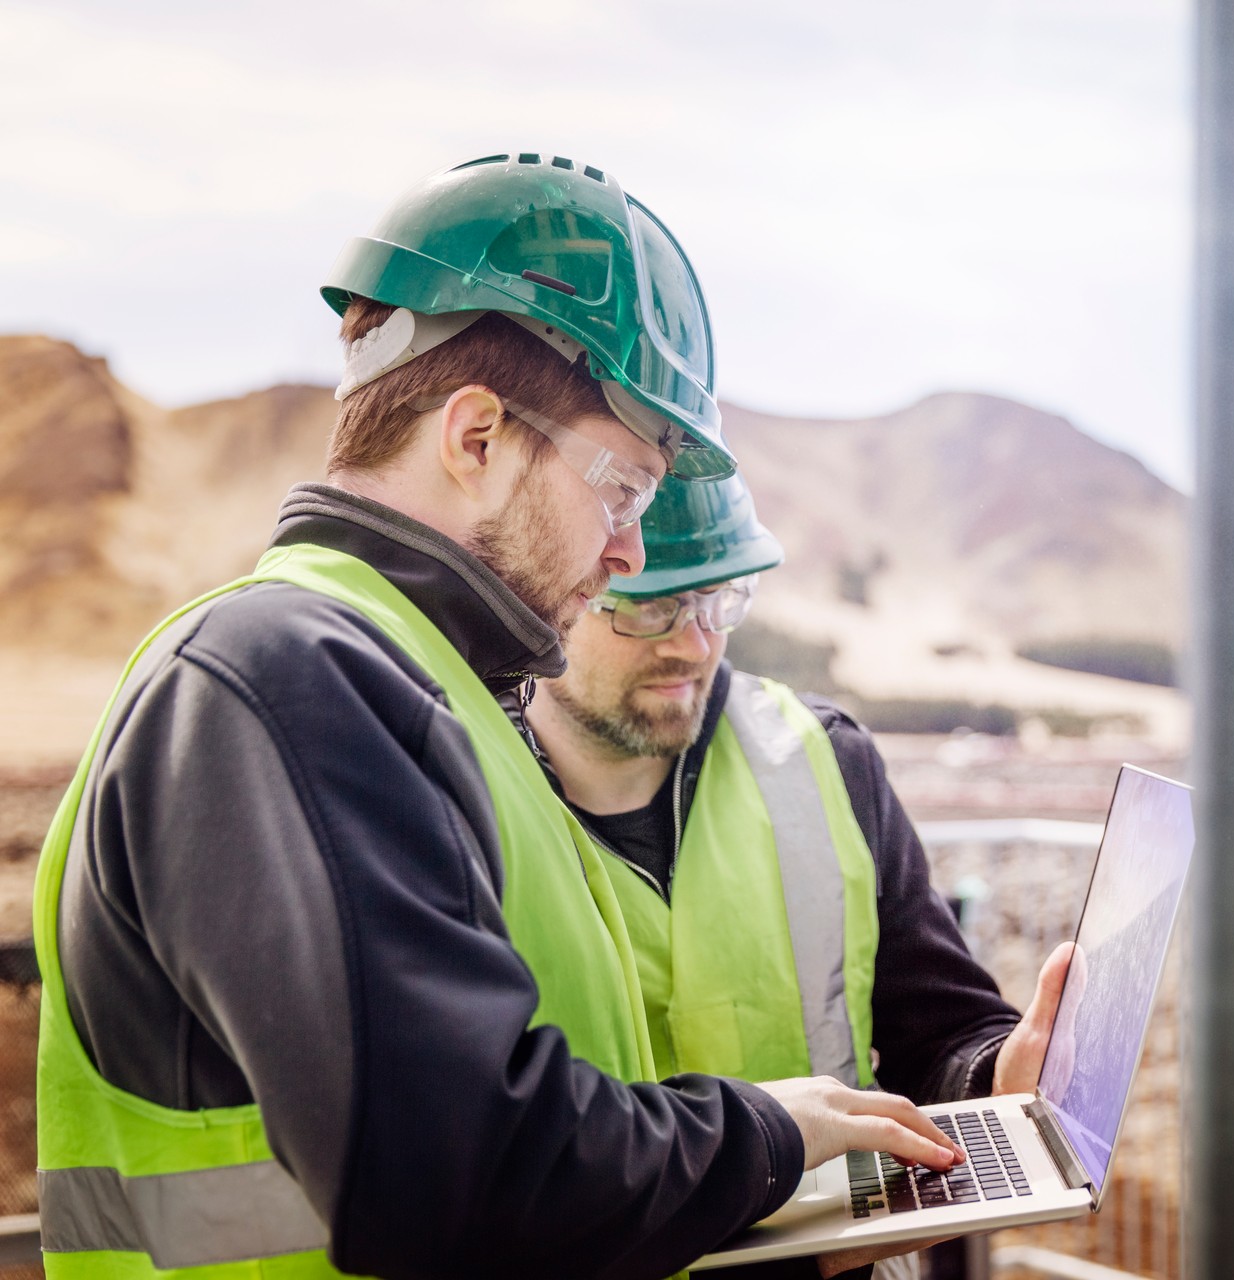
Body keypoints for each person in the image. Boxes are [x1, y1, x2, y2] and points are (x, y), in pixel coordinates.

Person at [32, 153, 964, 1280]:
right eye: (621, 487)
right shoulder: (282, 676)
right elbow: (463, 1169)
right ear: (476, 437)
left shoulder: (444, 699)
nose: (628, 550)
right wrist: (768, 1135)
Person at [515, 472, 1074, 1278]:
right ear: (549, 598)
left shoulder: (826, 761)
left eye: (719, 599)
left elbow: (942, 1030)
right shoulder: (459, 796)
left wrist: (996, 1073)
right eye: (651, 605)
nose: (695, 641)